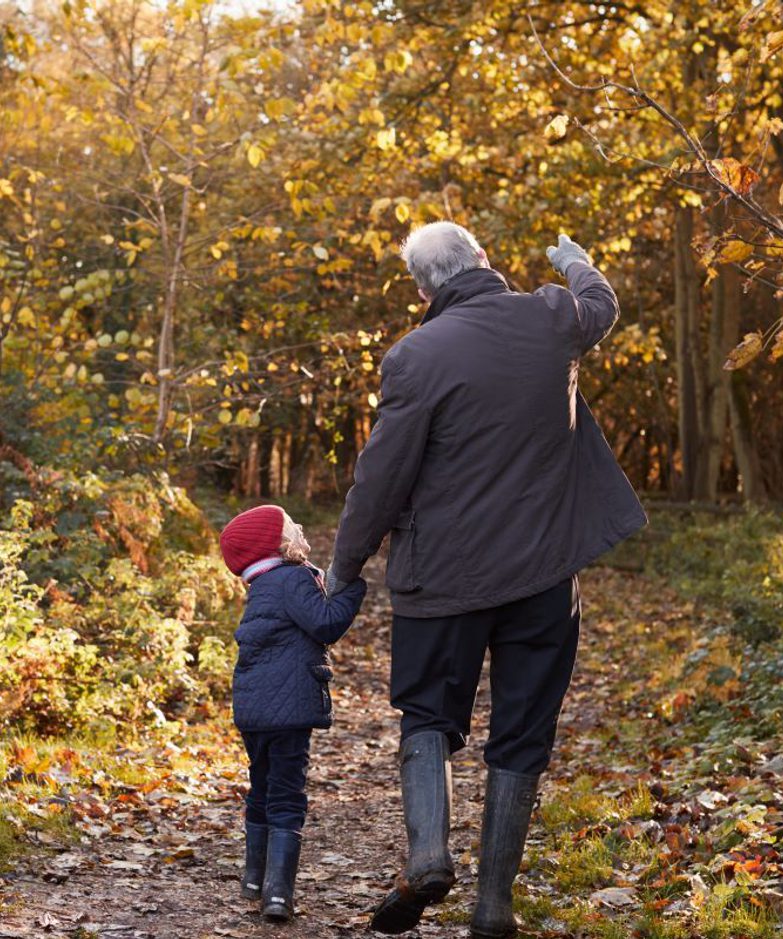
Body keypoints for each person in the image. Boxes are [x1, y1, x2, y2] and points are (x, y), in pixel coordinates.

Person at [325, 223, 647, 938]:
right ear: (481, 260)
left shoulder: (414, 356)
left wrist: (344, 565)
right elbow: (601, 303)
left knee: (427, 714)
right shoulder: (551, 316)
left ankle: (431, 852)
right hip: (543, 578)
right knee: (523, 730)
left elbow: (380, 479)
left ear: (421, 288)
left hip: (443, 582)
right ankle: (494, 904)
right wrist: (575, 261)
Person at [219, 504, 366, 922]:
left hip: (252, 709)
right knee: (287, 795)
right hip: (289, 711)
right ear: (279, 546)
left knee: (262, 788)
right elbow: (325, 625)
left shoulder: (264, 585)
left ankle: (254, 878)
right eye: (292, 527)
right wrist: (354, 589)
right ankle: (278, 894)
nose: (301, 528)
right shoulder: (292, 578)